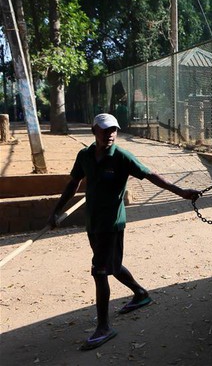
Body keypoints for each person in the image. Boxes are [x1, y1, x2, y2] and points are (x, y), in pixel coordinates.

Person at [48, 113, 200, 351]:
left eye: (114, 130)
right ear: (94, 131)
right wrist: (56, 211)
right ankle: (140, 294)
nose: (110, 135)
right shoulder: (85, 156)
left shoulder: (121, 157)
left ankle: (103, 327)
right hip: (93, 222)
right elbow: (73, 183)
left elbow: (150, 175)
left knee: (100, 271)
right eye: (105, 130)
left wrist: (181, 192)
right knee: (113, 266)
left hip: (112, 223)